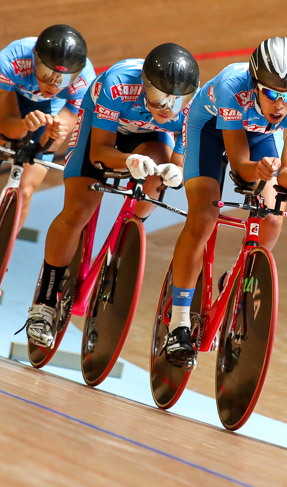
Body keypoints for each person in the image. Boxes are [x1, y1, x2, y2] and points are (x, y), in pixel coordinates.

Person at [24, 42, 200, 348]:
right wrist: (128, 161)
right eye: (158, 98)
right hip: (102, 131)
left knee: (157, 175)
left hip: (149, 137)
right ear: (145, 86)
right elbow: (99, 153)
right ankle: (45, 301)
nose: (166, 108)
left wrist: (172, 172)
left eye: (175, 101)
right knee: (78, 209)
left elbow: (179, 164)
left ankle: (129, 232)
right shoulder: (118, 85)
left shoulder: (191, 108)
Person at [162, 36, 287, 367]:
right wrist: (261, 171)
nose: (280, 105)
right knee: (204, 216)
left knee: (273, 218)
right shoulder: (234, 85)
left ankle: (233, 277)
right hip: (208, 131)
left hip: (257, 135)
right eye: (272, 95)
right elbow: (240, 167)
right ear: (255, 83)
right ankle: (178, 322)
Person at [0, 24, 96, 233]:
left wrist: (50, 136)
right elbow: (7, 125)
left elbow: (49, 147)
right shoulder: (11, 60)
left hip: (50, 108)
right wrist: (24, 124)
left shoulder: (85, 82)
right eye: (45, 73)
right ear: (35, 61)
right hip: (11, 95)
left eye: (62, 79)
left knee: (26, 189)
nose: (52, 85)